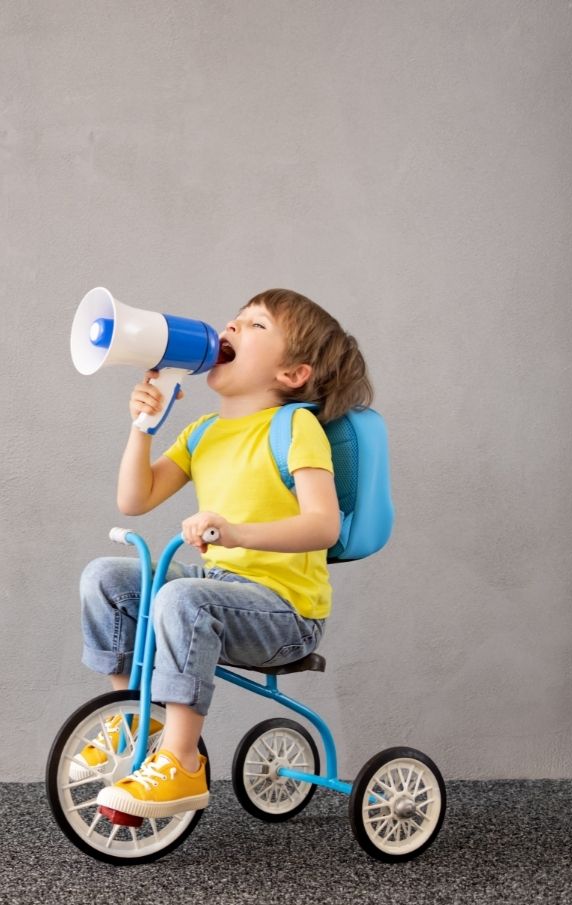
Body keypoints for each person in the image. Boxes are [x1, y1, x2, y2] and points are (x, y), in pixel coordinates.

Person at [79, 288, 374, 819]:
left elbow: (323, 524)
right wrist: (142, 429)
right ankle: (133, 724)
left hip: (284, 611)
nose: (231, 329)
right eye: (235, 320)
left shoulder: (294, 426)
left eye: (255, 325)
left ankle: (182, 761)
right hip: (222, 595)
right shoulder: (202, 432)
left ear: (293, 375)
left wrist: (236, 532)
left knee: (184, 599)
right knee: (106, 578)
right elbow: (135, 498)